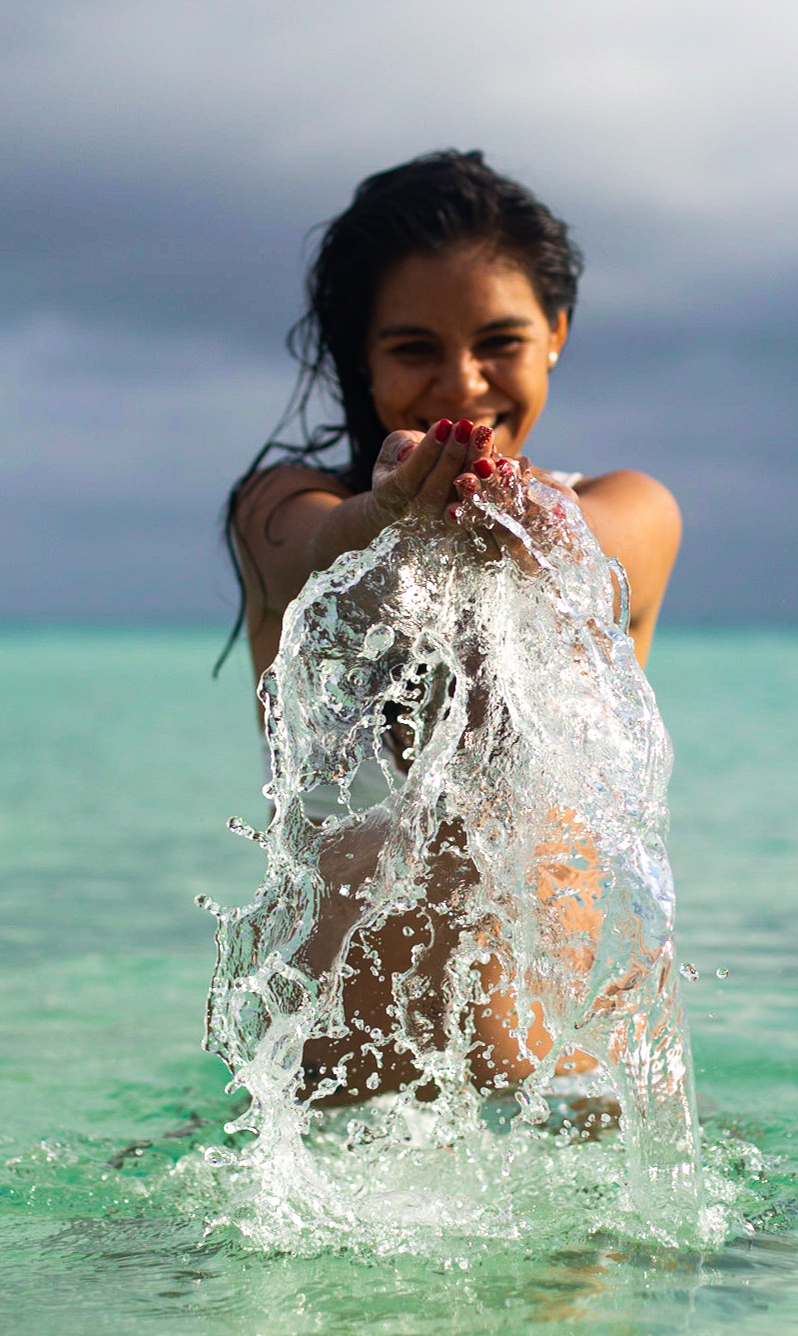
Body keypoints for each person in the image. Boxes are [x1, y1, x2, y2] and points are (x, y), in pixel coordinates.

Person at [223, 150, 681, 1107]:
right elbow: (313, 552)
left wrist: (531, 520)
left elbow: (600, 552)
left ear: (555, 334)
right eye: (414, 349)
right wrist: (384, 515)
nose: (462, 384)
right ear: (361, 355)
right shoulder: (282, 510)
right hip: (317, 1113)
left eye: (499, 343)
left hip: (568, 1108)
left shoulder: (626, 511)